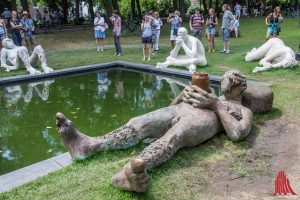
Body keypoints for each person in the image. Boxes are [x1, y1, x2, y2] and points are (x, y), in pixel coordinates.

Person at [55, 69, 253, 193]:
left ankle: (132, 172)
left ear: (241, 88)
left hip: (201, 120)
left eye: (233, 81)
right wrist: (181, 96)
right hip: (179, 109)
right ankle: (89, 145)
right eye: (227, 79)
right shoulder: (210, 94)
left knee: (174, 136)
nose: (228, 82)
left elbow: (237, 134)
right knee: (140, 122)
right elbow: (172, 105)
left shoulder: (243, 110)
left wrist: (217, 104)